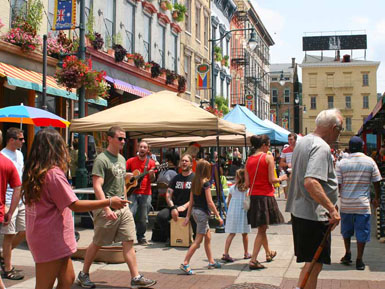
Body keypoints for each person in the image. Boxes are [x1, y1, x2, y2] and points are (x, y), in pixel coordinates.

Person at [22, 128, 128, 289]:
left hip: (46, 235)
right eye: (62, 145)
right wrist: (108, 202)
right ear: (54, 148)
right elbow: (74, 204)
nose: (65, 148)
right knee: (44, 285)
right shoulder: (53, 174)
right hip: (50, 238)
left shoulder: (35, 172)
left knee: (67, 279)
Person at [77, 127, 156, 289]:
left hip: (123, 207)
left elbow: (121, 183)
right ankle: (83, 273)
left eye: (124, 138)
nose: (123, 141)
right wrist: (106, 208)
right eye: (120, 138)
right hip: (107, 207)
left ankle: (135, 277)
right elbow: (97, 186)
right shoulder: (101, 159)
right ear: (110, 139)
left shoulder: (121, 159)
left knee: (129, 241)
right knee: (98, 242)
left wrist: (126, 199)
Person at [285, 109, 343, 289]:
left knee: (311, 263)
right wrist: (331, 208)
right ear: (333, 128)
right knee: (314, 264)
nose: (339, 134)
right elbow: (311, 182)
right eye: (339, 130)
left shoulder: (303, 142)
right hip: (313, 216)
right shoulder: (321, 147)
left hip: (303, 212)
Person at [336, 136, 382, 270]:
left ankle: (348, 253)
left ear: (349, 148)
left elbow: (338, 184)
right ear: (362, 147)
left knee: (346, 231)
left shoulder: (342, 163)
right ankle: (359, 260)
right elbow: (377, 181)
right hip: (363, 205)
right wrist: (377, 197)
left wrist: (340, 196)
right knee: (362, 232)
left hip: (346, 204)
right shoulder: (370, 162)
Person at [245, 135, 286, 270]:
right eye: (268, 145)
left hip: (253, 197)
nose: (269, 148)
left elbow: (246, 183)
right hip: (265, 196)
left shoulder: (249, 159)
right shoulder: (268, 158)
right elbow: (272, 179)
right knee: (262, 229)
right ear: (263, 145)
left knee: (262, 228)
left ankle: (268, 253)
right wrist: (283, 177)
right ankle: (253, 260)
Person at [180, 159, 223, 275]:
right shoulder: (206, 183)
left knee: (208, 237)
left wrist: (188, 216)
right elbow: (210, 202)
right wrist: (218, 216)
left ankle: (211, 261)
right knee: (198, 240)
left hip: (195, 212)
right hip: (203, 213)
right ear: (206, 170)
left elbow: (191, 201)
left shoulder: (194, 182)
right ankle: (185, 262)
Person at [152, 154, 196, 243]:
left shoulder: (195, 178)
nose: (184, 163)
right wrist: (172, 208)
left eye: (186, 161)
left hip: (190, 207)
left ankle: (195, 238)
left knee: (196, 215)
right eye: (182, 161)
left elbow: (196, 197)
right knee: (161, 216)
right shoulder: (176, 178)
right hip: (176, 206)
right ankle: (171, 236)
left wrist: (184, 207)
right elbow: (168, 195)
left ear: (191, 164)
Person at [0, 128, 25, 280]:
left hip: (21, 198)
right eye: (20, 139)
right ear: (11, 140)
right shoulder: (3, 156)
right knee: (9, 235)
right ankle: (7, 267)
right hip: (8, 199)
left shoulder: (20, 154)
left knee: (24, 230)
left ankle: (3, 255)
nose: (23, 141)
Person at [126, 140, 156, 245]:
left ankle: (141, 237)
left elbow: (152, 179)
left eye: (145, 147)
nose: (142, 149)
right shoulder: (130, 161)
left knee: (143, 217)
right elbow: (123, 175)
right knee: (129, 215)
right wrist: (130, 176)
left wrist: (151, 174)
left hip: (146, 192)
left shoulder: (151, 163)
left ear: (148, 150)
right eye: (141, 147)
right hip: (131, 192)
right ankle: (127, 237)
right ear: (138, 148)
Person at [221, 169, 251, 262]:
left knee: (232, 233)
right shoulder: (247, 189)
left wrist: (229, 210)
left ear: (237, 178)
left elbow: (228, 201)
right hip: (244, 212)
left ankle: (226, 253)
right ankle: (246, 252)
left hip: (233, 212)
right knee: (244, 233)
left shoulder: (232, 188)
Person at [279, 133, 297, 199]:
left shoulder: (299, 149)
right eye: (289, 140)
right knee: (290, 191)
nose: (290, 141)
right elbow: (281, 163)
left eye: (291, 139)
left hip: (299, 171)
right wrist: (287, 164)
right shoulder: (285, 151)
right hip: (290, 172)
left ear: (295, 140)